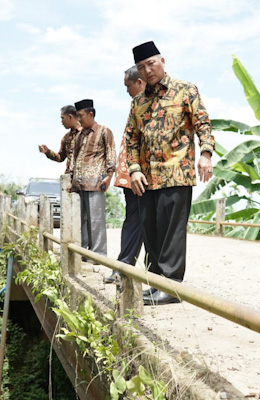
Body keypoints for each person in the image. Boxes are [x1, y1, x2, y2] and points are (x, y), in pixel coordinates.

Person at [125, 41, 215, 305]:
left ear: (162, 61)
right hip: (147, 178)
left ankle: (172, 286)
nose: (147, 70)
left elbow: (203, 123)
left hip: (177, 172)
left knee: (171, 231)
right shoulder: (138, 102)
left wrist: (206, 154)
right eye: (141, 67)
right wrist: (133, 170)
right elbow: (130, 139)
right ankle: (156, 283)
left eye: (151, 63)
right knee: (151, 231)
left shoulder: (185, 90)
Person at [104, 66, 147, 284]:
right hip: (134, 174)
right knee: (134, 220)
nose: (127, 91)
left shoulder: (156, 101)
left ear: (139, 82)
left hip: (151, 174)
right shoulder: (136, 105)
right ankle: (124, 267)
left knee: (147, 224)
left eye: (128, 86)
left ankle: (150, 275)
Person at [71, 99, 116, 258]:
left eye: (81, 116)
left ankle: (98, 256)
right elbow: (74, 159)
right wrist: (71, 181)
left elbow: (111, 155)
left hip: (96, 182)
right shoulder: (79, 136)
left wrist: (109, 177)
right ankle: (84, 254)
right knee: (81, 221)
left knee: (96, 220)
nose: (79, 119)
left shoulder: (104, 131)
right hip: (79, 184)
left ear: (91, 114)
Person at [38, 105, 81, 176]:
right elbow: (60, 157)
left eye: (63, 118)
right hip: (69, 179)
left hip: (86, 179)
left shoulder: (88, 134)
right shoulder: (66, 138)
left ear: (70, 117)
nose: (62, 122)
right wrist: (47, 152)